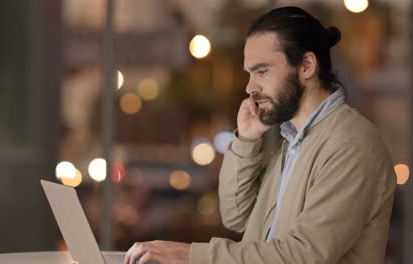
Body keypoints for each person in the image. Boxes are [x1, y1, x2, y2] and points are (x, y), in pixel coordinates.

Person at [124, 6, 396, 264]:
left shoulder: (350, 145)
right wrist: (247, 141)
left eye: (262, 71)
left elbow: (302, 256)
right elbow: (237, 217)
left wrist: (190, 256)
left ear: (306, 66)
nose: (250, 87)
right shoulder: (293, 142)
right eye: (249, 74)